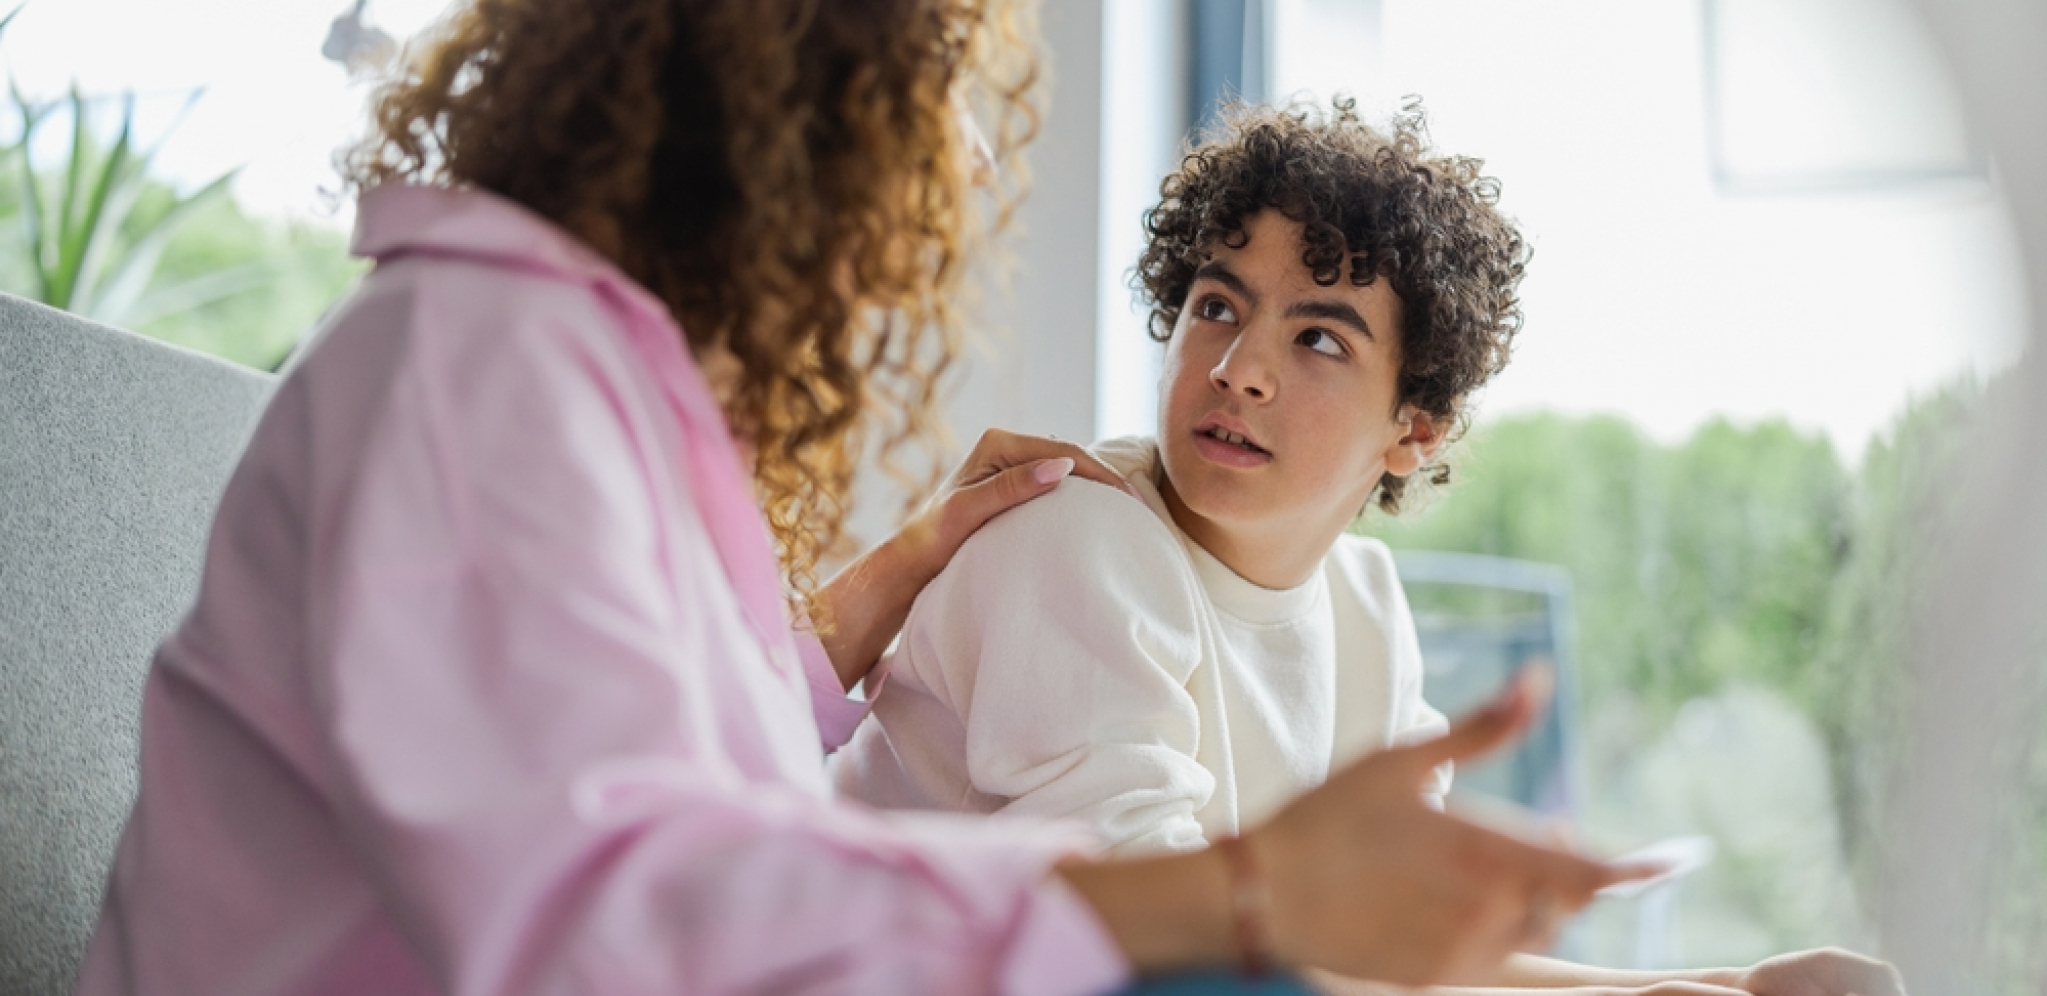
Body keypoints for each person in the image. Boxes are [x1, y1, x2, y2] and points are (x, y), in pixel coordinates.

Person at [72, 2, 1648, 994]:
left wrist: (863, 603)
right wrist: (1235, 893)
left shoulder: (590, 385)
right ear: (790, 100)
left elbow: (661, 781)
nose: (963, 163)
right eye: (937, 83)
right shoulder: (474, 365)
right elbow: (596, 920)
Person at [832, 102, 1908, 996]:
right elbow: (1173, 959)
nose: (1239, 368)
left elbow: (1391, 953)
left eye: (1317, 337)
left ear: (1415, 429)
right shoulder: (1077, 539)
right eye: (1216, 306)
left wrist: (1722, 987)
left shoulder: (1365, 603)